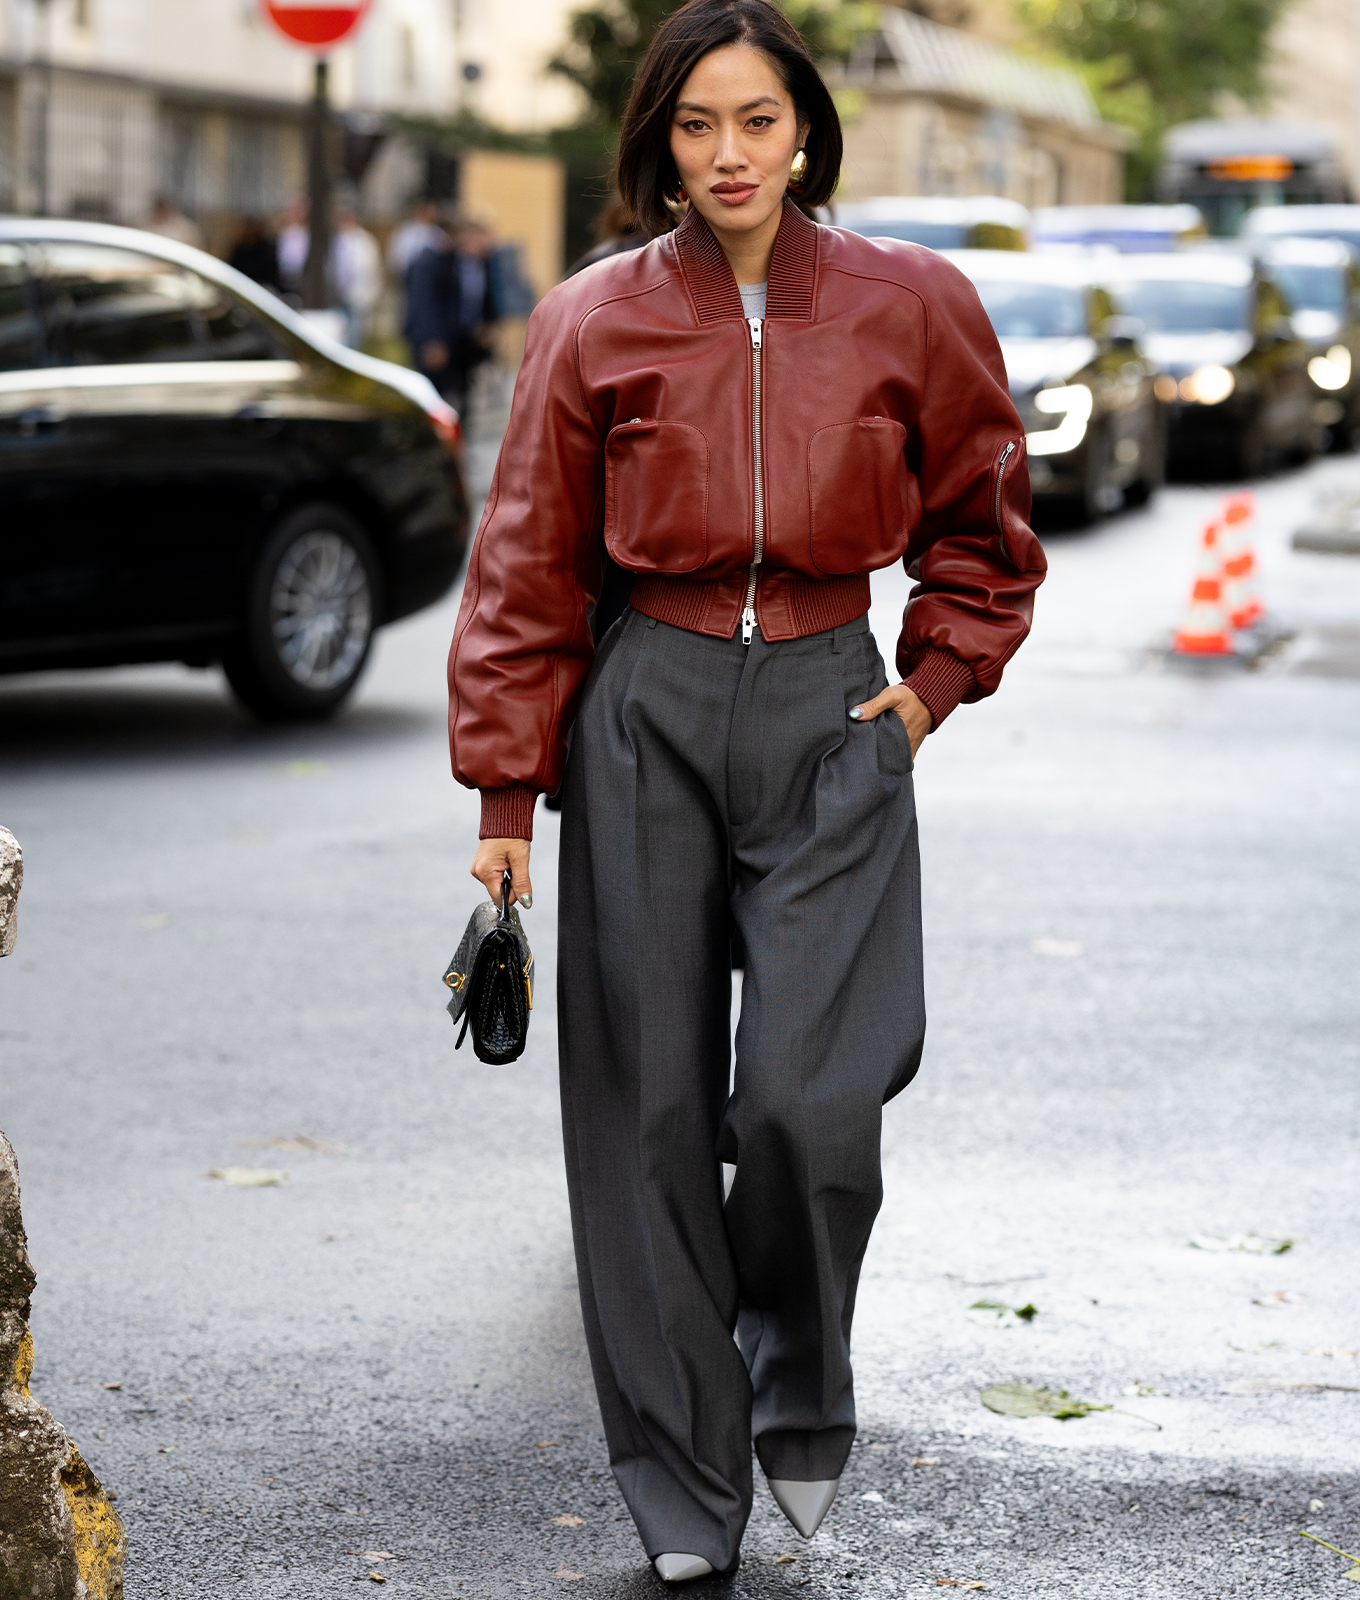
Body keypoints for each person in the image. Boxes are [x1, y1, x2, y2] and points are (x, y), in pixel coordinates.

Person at [448, 0, 1046, 1583]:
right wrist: (507, 800)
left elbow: (985, 522)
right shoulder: (592, 317)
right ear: (659, 143)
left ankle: (796, 1356)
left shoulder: (913, 303)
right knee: (643, 1112)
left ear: (805, 134)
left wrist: (923, 696)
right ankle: (682, 1480)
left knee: (808, 1094)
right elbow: (525, 565)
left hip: (832, 705)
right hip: (640, 706)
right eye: (699, 125)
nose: (730, 154)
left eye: (759, 122)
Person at [403, 214, 499, 424]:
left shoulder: (467, 260)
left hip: (459, 338)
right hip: (434, 339)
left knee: (458, 392)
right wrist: (432, 340)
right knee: (432, 393)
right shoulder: (429, 261)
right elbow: (423, 304)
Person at [227, 217, 282, 294]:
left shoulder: (266, 250)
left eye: (252, 227)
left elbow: (272, 277)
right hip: (242, 290)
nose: (250, 230)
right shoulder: (239, 250)